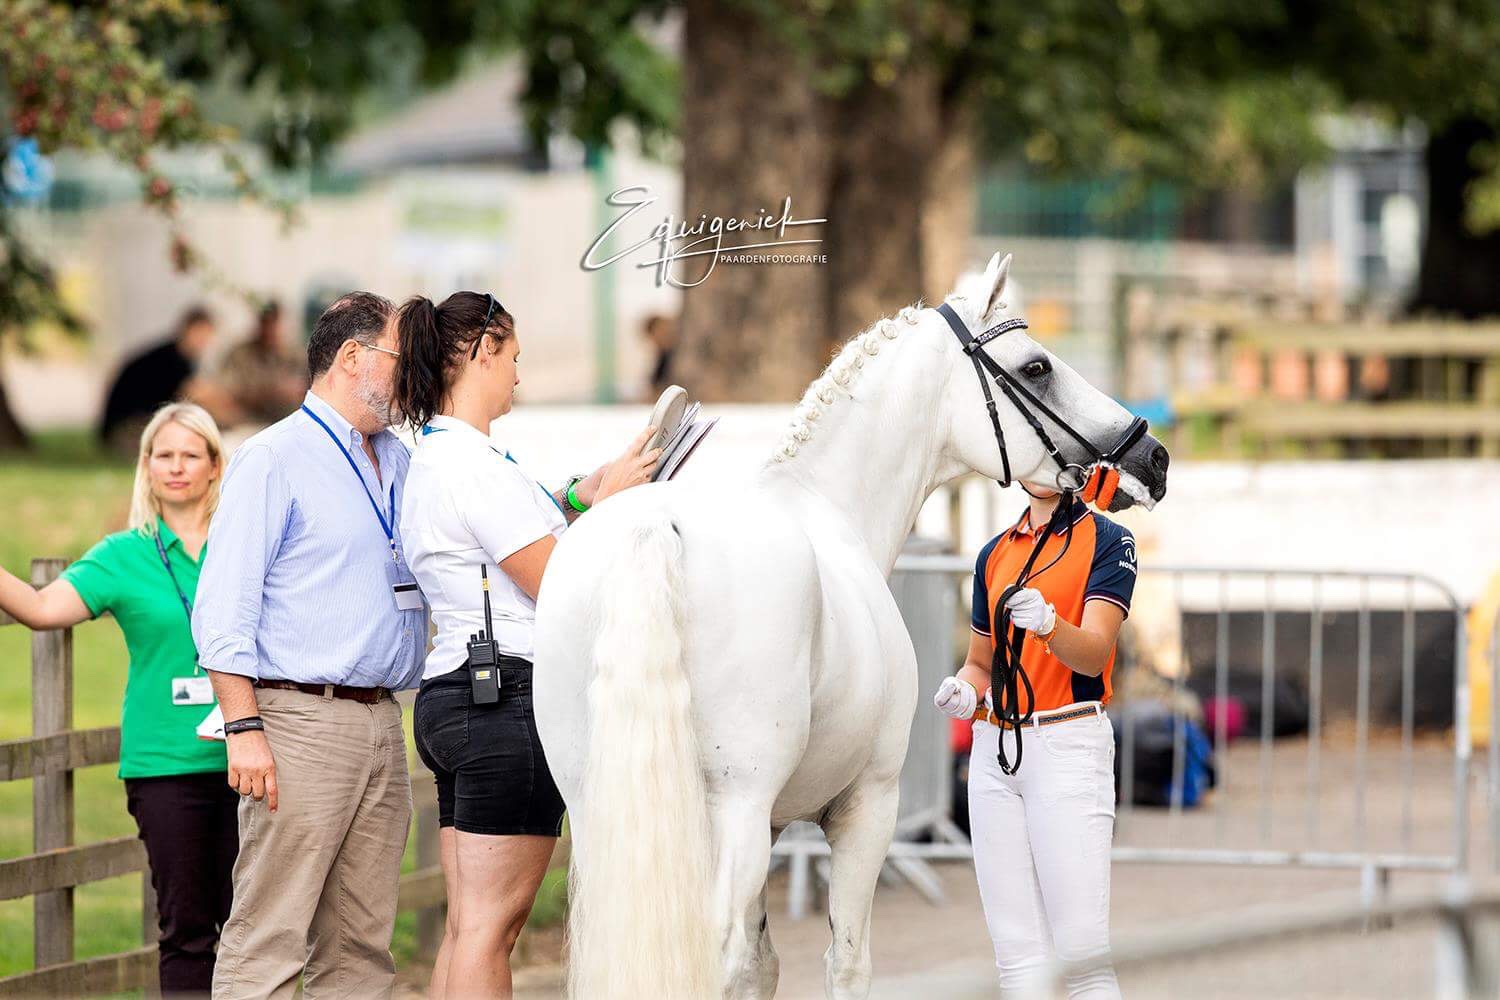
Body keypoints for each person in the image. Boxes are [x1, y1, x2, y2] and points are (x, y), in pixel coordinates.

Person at [392, 291, 659, 998]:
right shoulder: (473, 465)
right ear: (484, 351)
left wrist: (578, 497)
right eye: (513, 356)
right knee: (492, 928)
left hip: (456, 693)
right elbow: (554, 583)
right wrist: (611, 507)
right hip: (506, 697)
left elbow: (517, 533)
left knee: (467, 927)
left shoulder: (442, 457)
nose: (518, 374)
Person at [191, 291, 428, 1000]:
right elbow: (222, 610)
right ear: (353, 357)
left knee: (362, 946)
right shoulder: (273, 458)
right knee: (269, 937)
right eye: (403, 358)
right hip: (297, 722)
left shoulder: (401, 458)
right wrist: (244, 729)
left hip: (382, 719)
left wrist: (575, 497)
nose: (414, 374)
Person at [0, 402, 235, 994]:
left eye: (190, 455)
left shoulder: (246, 545)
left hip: (251, 759)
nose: (176, 467)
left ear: (214, 465)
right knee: (186, 930)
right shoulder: (122, 554)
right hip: (165, 766)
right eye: (164, 455)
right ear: (146, 466)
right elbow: (41, 608)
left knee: (253, 928)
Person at [932, 483, 1138, 999]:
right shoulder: (993, 553)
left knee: (1082, 957)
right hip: (995, 748)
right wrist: (965, 690)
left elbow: (1094, 654)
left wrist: (1049, 625)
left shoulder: (1110, 540)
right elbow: (980, 663)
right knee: (1017, 960)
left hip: (1067, 743)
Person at [99, 306, 240, 451]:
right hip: (126, 429)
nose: (205, 341)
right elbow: (196, 395)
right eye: (202, 334)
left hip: (139, 423)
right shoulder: (168, 360)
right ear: (188, 330)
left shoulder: (179, 357)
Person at [217, 301, 309, 424]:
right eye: (266, 324)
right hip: (248, 420)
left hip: (289, 420)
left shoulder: (297, 356)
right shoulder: (241, 355)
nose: (270, 330)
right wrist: (271, 391)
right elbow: (227, 391)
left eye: (275, 324)